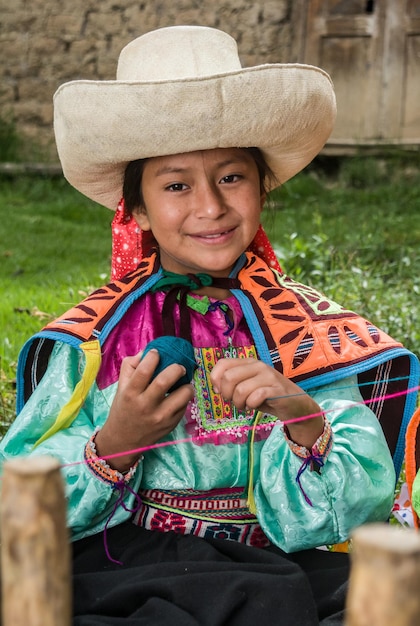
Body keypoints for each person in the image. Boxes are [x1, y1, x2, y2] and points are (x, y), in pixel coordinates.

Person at [1, 25, 419, 626]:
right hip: (134, 562)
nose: (211, 207)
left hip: (276, 562)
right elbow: (19, 492)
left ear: (262, 188)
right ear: (137, 209)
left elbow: (359, 506)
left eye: (232, 177)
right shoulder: (97, 338)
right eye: (176, 185)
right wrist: (115, 442)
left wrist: (302, 416)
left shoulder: (304, 333)